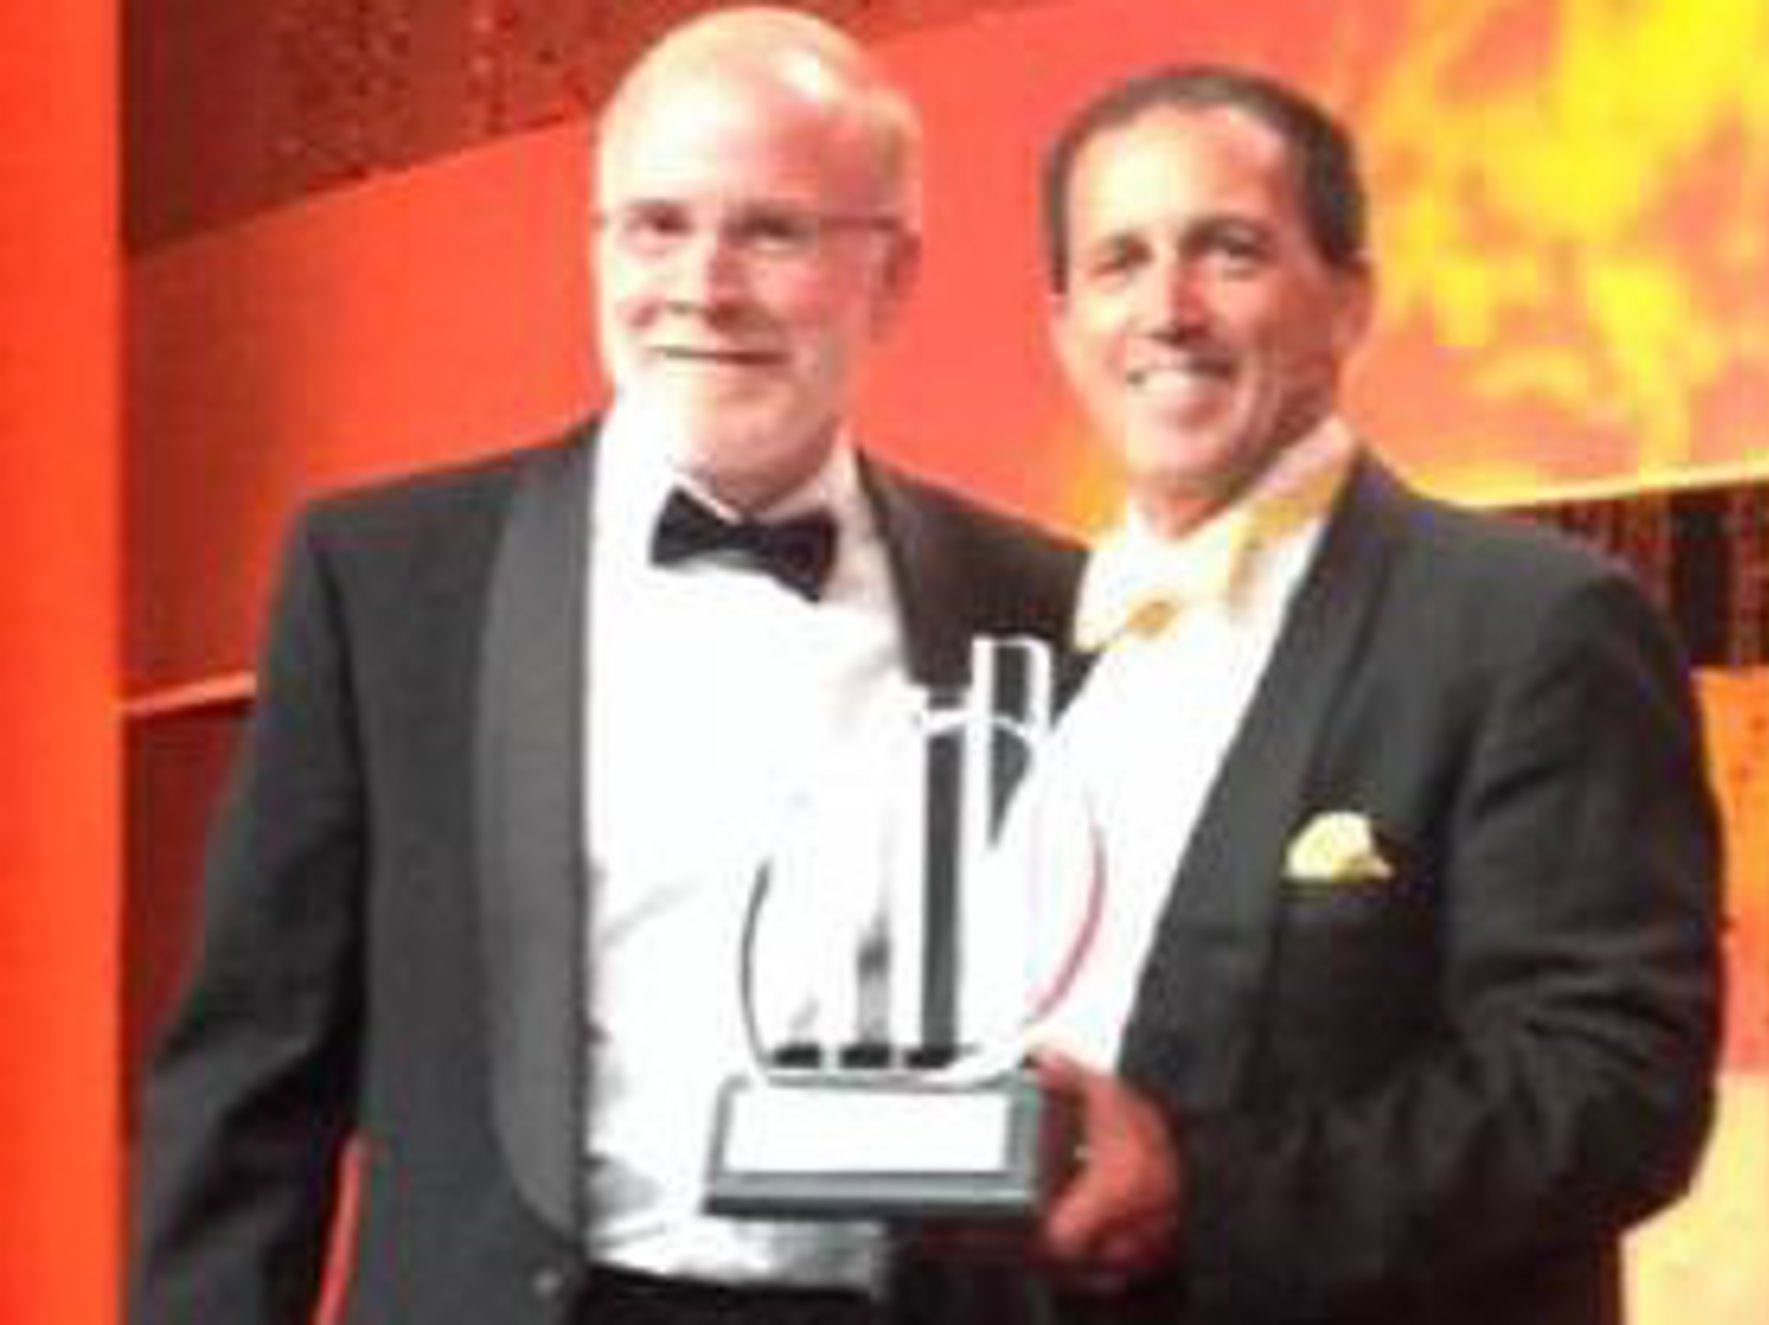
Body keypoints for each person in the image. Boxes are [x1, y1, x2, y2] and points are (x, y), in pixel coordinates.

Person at [128, 9, 1080, 1325]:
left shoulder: (1042, 604)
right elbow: (254, 1074)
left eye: (773, 231)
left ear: (895, 275)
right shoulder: (391, 581)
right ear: (595, 246)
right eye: (656, 225)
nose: (703, 285)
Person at [1009, 64, 1723, 1325]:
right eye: (1119, 261)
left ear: (1349, 300)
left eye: (1228, 250)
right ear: (1065, 327)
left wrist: (1204, 1192)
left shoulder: (1532, 620)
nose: (1167, 308)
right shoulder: (1028, 639)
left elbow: (1612, 1087)